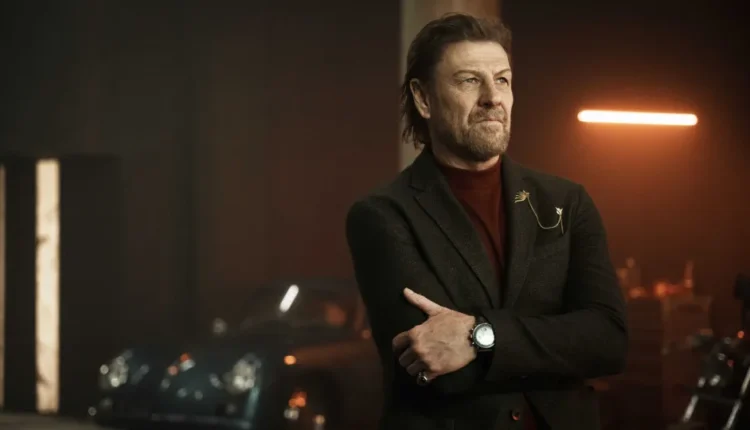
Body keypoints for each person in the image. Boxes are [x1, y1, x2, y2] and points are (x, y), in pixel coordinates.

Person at [345, 13, 628, 430]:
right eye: (469, 80)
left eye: (503, 80)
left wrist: (479, 337)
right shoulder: (382, 215)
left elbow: (608, 342)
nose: (493, 97)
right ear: (423, 99)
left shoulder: (566, 202)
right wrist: (557, 343)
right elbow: (433, 362)